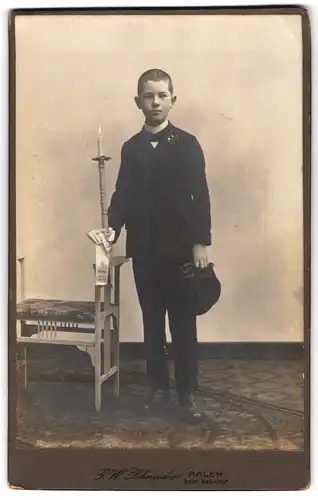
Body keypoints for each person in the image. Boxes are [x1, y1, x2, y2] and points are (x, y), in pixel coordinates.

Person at [91, 68, 211, 423]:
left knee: (184, 324)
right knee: (152, 322)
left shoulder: (188, 144)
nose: (155, 102)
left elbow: (200, 197)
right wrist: (110, 232)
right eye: (148, 96)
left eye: (162, 95)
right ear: (137, 102)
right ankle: (158, 389)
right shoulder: (132, 148)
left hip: (180, 252)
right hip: (143, 252)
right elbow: (122, 197)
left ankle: (187, 393)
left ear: (173, 99)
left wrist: (201, 243)